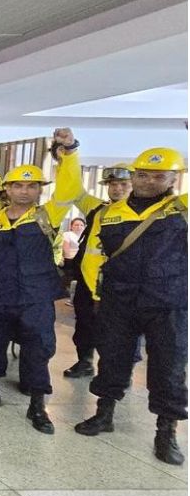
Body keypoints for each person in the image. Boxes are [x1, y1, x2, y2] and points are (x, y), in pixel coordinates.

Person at [65, 143, 187, 465]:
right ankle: (104, 413)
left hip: (168, 302)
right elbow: (94, 258)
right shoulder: (110, 213)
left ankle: (166, 432)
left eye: (159, 177)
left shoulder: (182, 209)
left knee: (169, 367)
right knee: (113, 358)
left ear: (174, 178)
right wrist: (94, 293)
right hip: (119, 299)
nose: (149, 182)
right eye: (143, 175)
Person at [0, 141, 74, 433]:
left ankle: (38, 406)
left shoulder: (47, 215)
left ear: (40, 190)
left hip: (35, 296)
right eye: (18, 186)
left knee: (36, 350)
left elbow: (70, 187)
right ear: (9, 189)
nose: (24, 191)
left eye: (31, 186)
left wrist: (68, 154)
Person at [58, 156, 134, 378]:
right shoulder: (97, 209)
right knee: (84, 326)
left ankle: (121, 373)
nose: (117, 189)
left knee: (122, 331)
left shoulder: (144, 215)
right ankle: (85, 361)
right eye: (112, 184)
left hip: (120, 283)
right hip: (88, 281)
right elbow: (74, 190)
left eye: (123, 184)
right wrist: (68, 157)